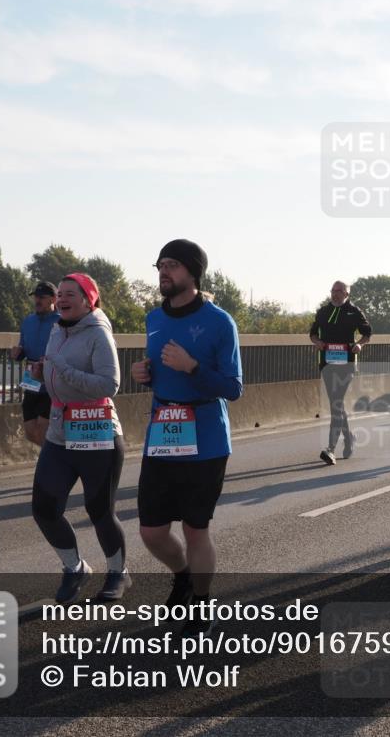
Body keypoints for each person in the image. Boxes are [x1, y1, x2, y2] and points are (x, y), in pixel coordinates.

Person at [131, 239, 242, 635]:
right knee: (151, 531)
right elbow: (161, 374)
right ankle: (182, 574)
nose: (164, 271)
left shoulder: (219, 321)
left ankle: (201, 600)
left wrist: (193, 366)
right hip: (162, 433)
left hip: (207, 437)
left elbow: (233, 387)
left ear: (193, 273)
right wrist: (143, 375)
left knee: (196, 528)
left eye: (173, 265)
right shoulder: (153, 318)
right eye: (161, 264)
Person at [30, 274, 129, 603]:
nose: (62, 299)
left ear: (90, 300)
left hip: (97, 431)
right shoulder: (57, 329)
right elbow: (56, 373)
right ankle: (74, 568)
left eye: (72, 294)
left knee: (99, 509)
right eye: (60, 294)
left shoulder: (99, 334)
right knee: (44, 508)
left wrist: (59, 366)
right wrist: (42, 372)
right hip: (60, 431)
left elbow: (108, 385)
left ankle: (117, 572)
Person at [309, 281, 372, 465]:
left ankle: (330, 448)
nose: (335, 294)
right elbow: (312, 333)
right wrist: (317, 342)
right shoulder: (323, 311)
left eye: (339, 291)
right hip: (327, 364)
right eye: (333, 291)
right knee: (336, 404)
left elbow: (368, 332)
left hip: (347, 365)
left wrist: (360, 344)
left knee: (336, 403)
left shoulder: (354, 311)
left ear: (346, 294)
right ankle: (349, 437)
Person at [11, 282, 60, 447]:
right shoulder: (28, 321)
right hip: (30, 379)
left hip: (51, 381)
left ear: (53, 299)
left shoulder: (61, 321)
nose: (37, 301)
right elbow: (23, 347)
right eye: (36, 297)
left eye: (42, 297)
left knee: (44, 429)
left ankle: (51, 465)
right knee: (31, 433)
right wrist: (18, 353)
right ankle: (54, 459)